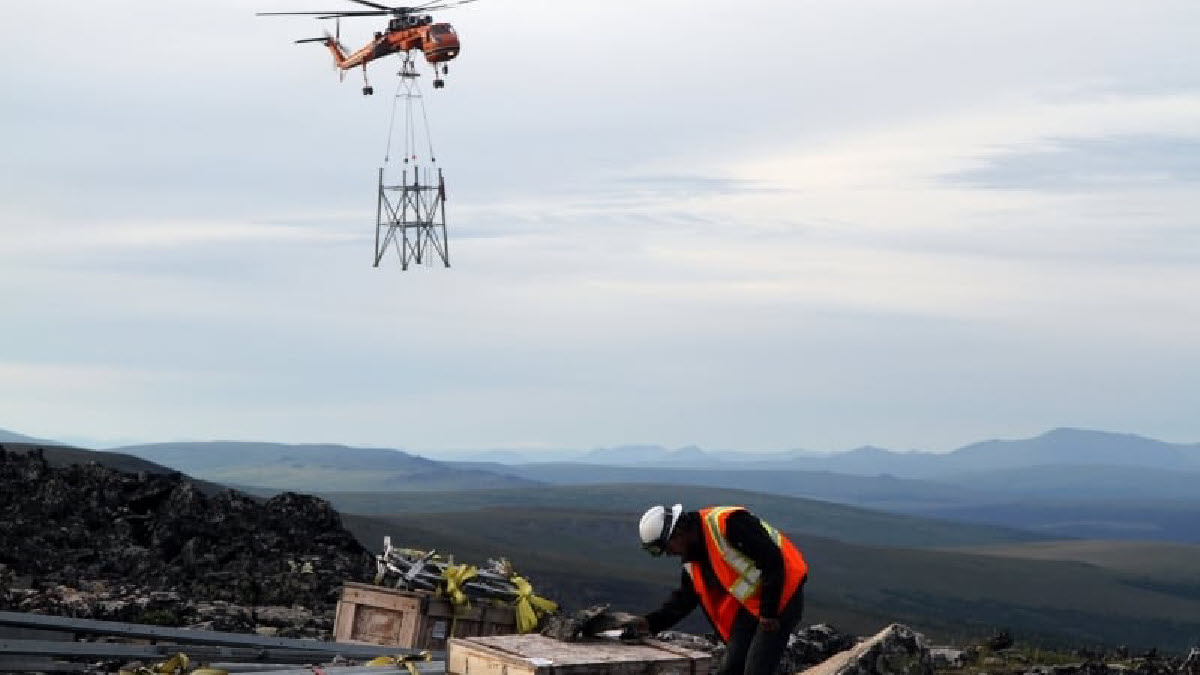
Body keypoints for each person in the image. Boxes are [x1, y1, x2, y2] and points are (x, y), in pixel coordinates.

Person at [632, 504, 808, 675]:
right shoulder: (693, 559)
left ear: (678, 533)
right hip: (752, 605)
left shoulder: (728, 524)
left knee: (757, 668)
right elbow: (685, 599)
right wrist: (651, 623)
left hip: (783, 594)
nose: (669, 554)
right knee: (731, 668)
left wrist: (769, 612)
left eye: (667, 548)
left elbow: (772, 559)